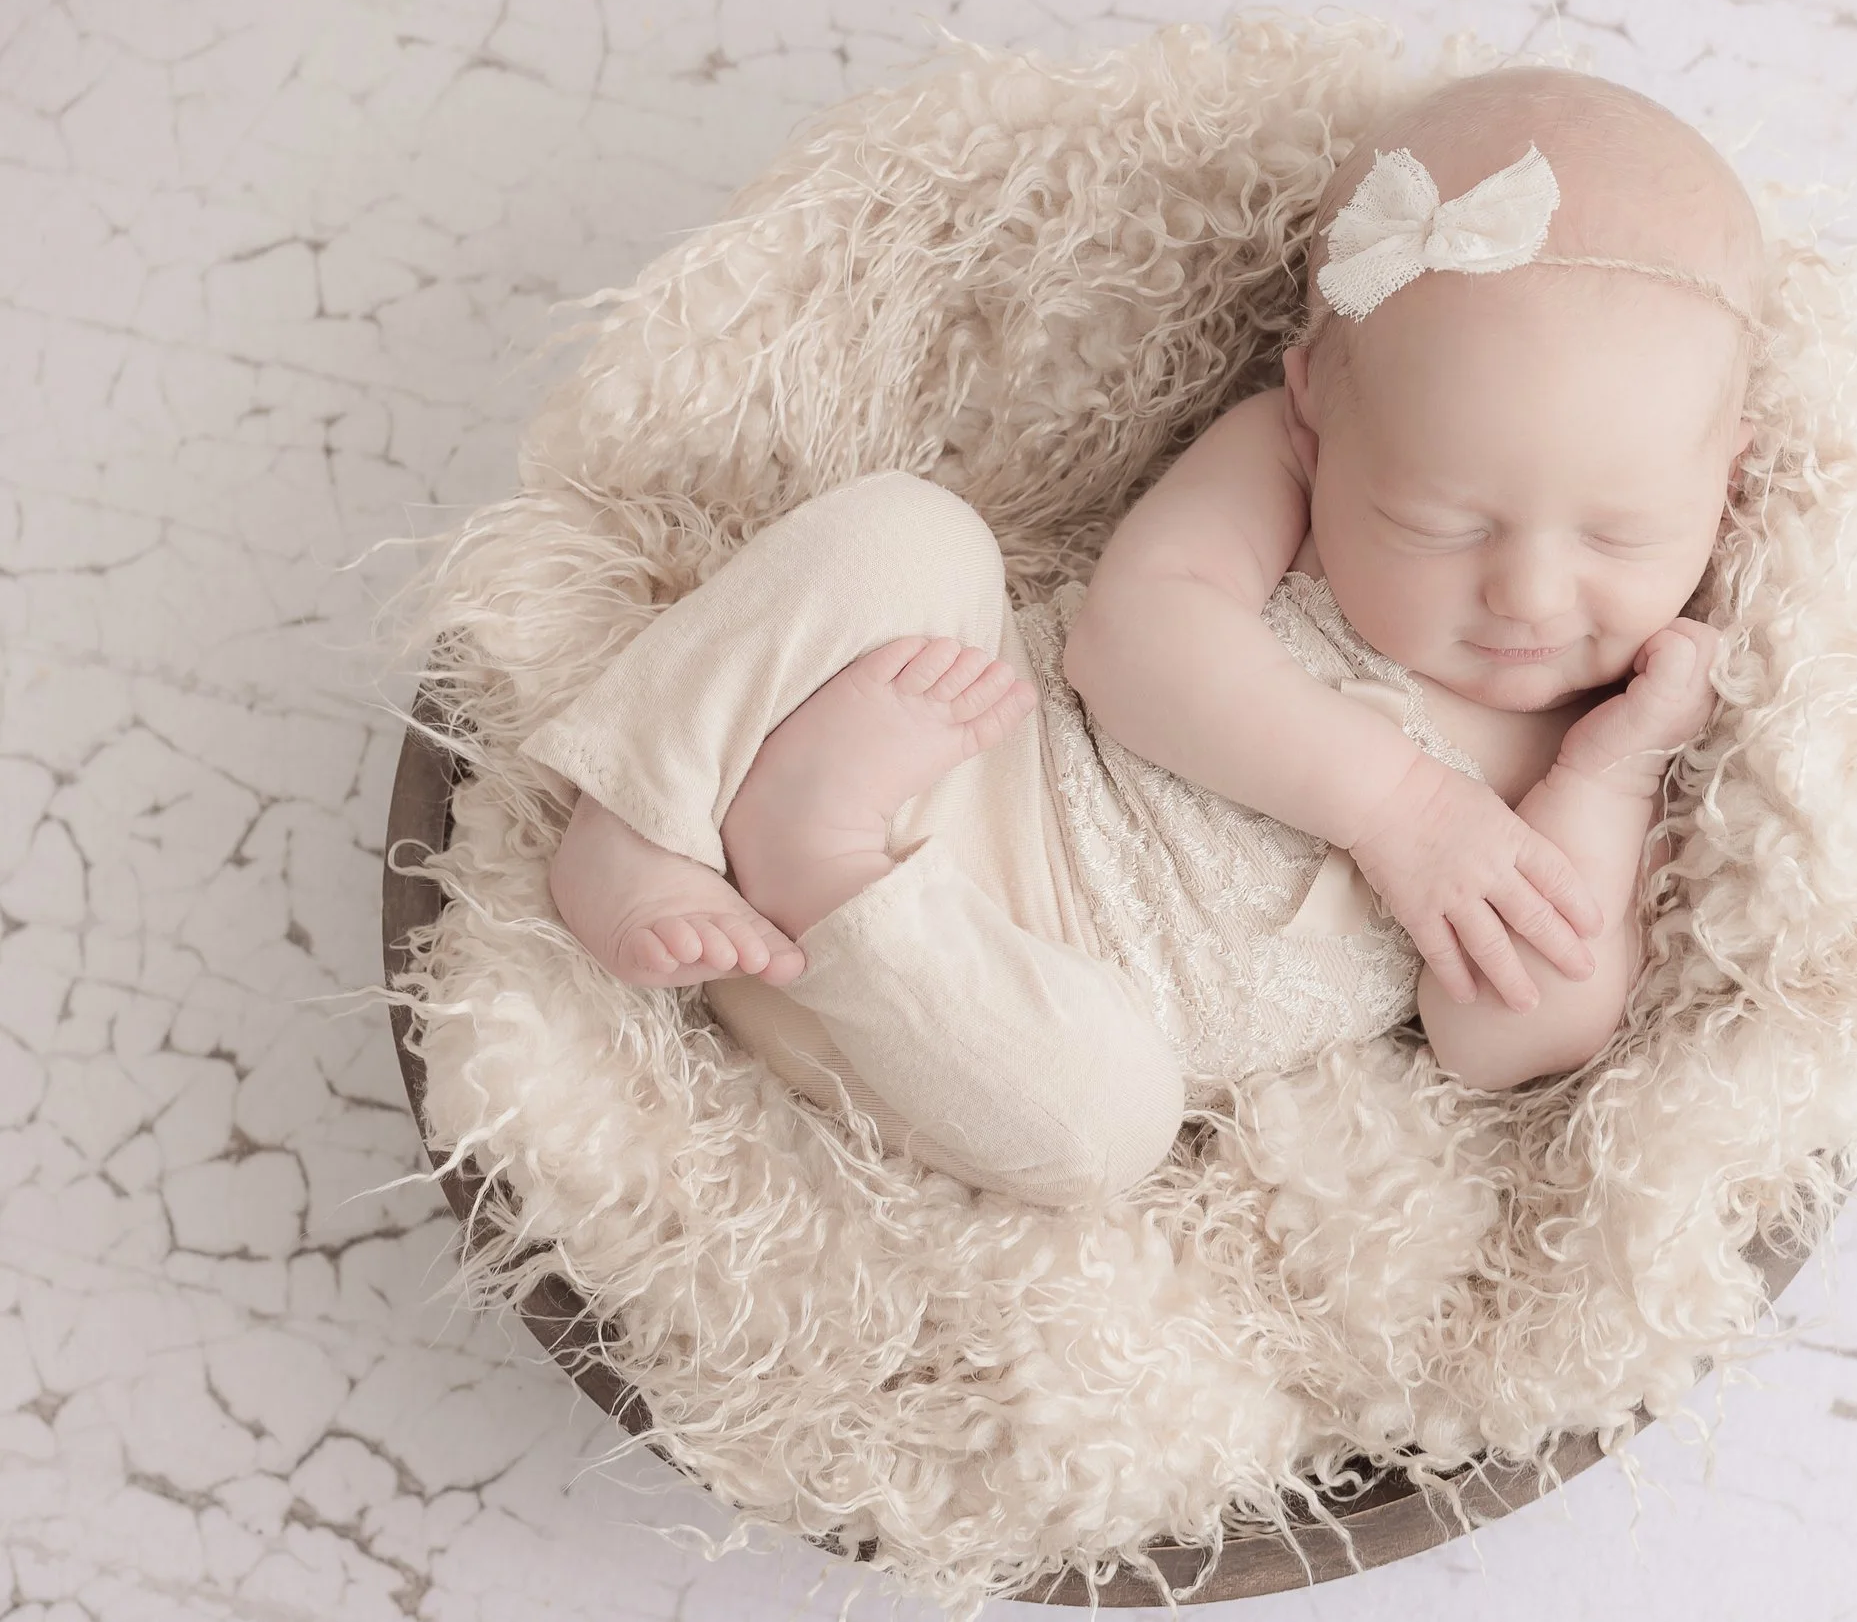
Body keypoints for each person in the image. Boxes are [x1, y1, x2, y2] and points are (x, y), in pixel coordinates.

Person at [527, 64, 1766, 1206]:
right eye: (1438, 521)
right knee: (912, 533)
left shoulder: (1593, 734)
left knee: (1110, 1129)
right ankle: (642, 817)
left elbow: (1509, 1037)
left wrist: (1610, 774)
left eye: (1619, 536)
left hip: (966, 1011)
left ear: (1726, 480)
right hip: (971, 735)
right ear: (1317, 419)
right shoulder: (1282, 472)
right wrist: (1407, 808)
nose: (1532, 597)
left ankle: (826, 858)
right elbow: (1132, 648)